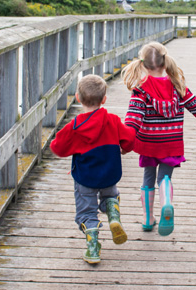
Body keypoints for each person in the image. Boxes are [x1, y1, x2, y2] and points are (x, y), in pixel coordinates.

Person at [121, 42, 196, 236]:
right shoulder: (178, 87)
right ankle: (166, 202)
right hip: (171, 143)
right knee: (165, 178)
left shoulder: (140, 91)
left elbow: (132, 120)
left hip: (149, 143)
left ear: (142, 64)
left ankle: (147, 218)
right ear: (165, 62)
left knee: (148, 177)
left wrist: (124, 143)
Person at [50, 75, 136, 264]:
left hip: (85, 179)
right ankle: (113, 212)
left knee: (86, 213)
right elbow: (130, 139)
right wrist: (123, 149)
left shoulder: (74, 127)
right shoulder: (113, 120)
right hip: (110, 175)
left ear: (78, 98)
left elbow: (57, 147)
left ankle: (93, 248)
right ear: (104, 99)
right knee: (110, 195)